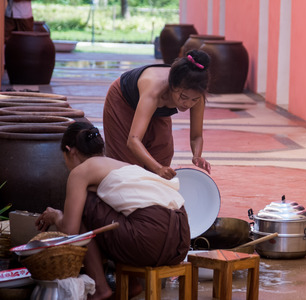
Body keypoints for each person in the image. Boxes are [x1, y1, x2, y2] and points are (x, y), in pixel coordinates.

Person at [36, 122, 190, 300]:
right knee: (117, 210)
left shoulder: (81, 172)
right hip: (181, 242)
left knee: (84, 206)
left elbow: (71, 231)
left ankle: (100, 288)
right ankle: (131, 285)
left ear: (71, 151)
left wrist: (57, 216)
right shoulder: (122, 165)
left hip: (150, 240)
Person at [103, 49, 211, 180]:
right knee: (128, 167)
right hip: (124, 101)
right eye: (183, 97)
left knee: (162, 154)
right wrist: (157, 168)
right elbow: (133, 140)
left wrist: (197, 156)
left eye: (194, 100)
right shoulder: (154, 89)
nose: (187, 104)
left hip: (158, 108)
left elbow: (196, 136)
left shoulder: (197, 95)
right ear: (172, 86)